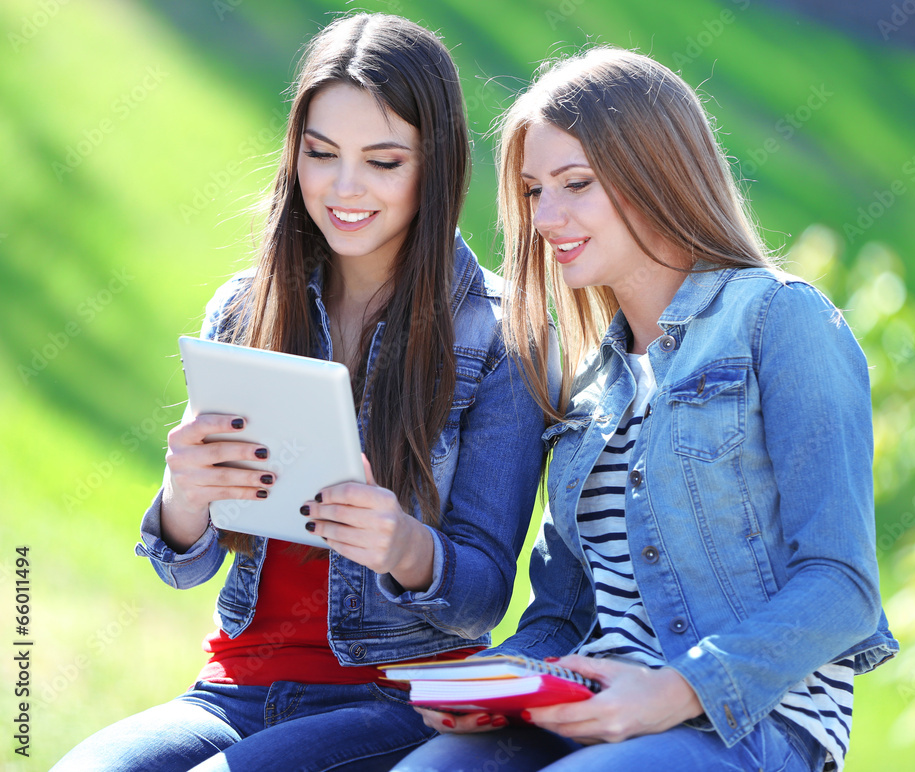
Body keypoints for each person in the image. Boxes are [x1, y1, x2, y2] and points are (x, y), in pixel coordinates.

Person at [53, 13, 551, 772]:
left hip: (396, 696)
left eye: (383, 162)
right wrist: (183, 502)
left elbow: (484, 595)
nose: (344, 189)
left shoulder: (503, 334)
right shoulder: (244, 307)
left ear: (436, 165)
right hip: (233, 690)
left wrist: (405, 546)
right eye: (321, 154)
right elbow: (181, 564)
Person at [393, 47, 899, 772]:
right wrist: (488, 684)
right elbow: (561, 617)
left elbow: (843, 584)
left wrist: (676, 689)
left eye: (577, 184)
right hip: (589, 712)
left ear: (655, 172)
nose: (547, 216)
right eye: (535, 190)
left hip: (748, 722)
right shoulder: (591, 386)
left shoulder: (780, 321)